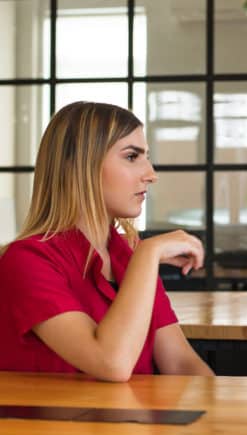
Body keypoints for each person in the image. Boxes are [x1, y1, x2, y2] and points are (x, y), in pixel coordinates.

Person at [0, 101, 214, 381]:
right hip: (56, 425)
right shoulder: (27, 261)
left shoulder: (128, 255)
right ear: (79, 166)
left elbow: (181, 363)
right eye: (131, 157)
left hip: (134, 422)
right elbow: (111, 363)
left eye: (146, 156)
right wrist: (149, 252)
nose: (151, 174)